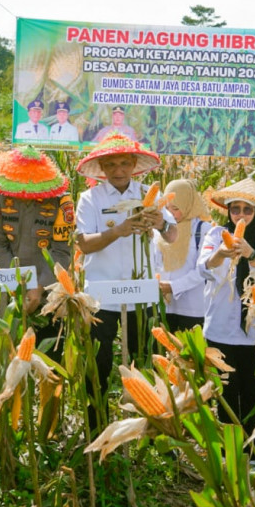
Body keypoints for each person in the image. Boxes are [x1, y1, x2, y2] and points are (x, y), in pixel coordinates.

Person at [73, 134, 175, 423]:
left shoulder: (149, 194)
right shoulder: (90, 198)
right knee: (98, 363)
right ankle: (97, 426)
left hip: (141, 293)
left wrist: (161, 222)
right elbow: (84, 244)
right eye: (111, 165)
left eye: (124, 164)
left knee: (146, 362)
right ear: (102, 168)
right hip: (101, 295)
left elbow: (172, 235)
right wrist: (118, 230)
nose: (118, 171)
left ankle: (149, 426)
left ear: (133, 165)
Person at [198, 177, 255, 439]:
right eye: (235, 209)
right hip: (220, 325)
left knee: (252, 389)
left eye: (247, 210)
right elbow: (203, 267)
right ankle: (229, 447)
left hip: (254, 328)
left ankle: (254, 446)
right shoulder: (214, 235)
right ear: (228, 211)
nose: (241, 215)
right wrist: (221, 253)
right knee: (226, 390)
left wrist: (250, 254)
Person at [0, 146, 74, 356]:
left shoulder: (61, 202)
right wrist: (16, 283)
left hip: (48, 291)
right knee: (8, 353)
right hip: (9, 287)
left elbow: (62, 252)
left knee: (49, 353)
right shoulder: (0, 198)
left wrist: (39, 287)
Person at [153, 179, 211, 332]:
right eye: (166, 208)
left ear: (188, 204)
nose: (170, 213)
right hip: (163, 307)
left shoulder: (203, 230)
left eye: (176, 208)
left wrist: (173, 287)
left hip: (192, 308)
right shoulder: (160, 230)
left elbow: (204, 270)